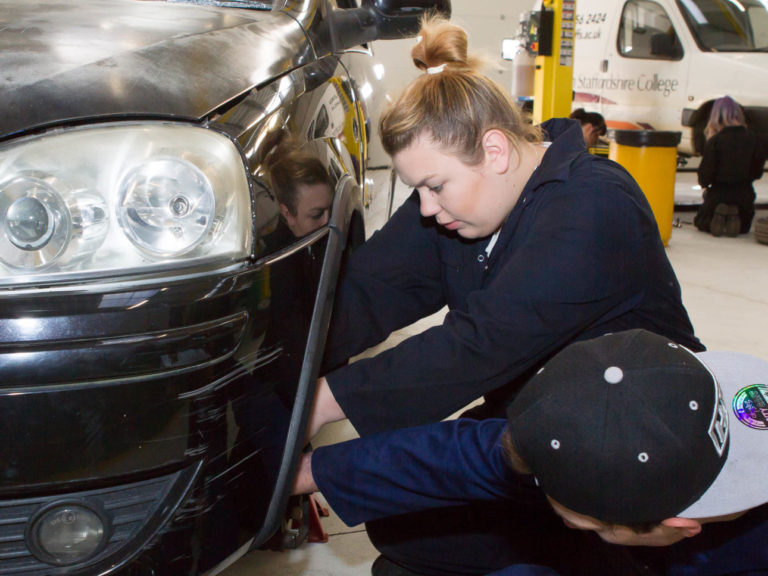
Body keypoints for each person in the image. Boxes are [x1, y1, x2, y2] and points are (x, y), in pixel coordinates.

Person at [308, 14, 702, 576]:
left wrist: (319, 404)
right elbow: (370, 289)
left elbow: (478, 346)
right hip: (542, 423)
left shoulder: (595, 206)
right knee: (403, 527)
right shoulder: (461, 208)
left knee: (413, 554)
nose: (424, 208)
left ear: (495, 150)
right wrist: (278, 370)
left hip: (632, 446)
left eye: (433, 186)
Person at [295, 329, 768, 575]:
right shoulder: (635, 418)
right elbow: (462, 454)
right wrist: (310, 471)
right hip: (657, 551)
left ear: (676, 525)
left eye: (577, 520)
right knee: (408, 530)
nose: (565, 516)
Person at [694, 95, 765, 237]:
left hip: (719, 193)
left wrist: (706, 185)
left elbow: (705, 176)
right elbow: (757, 172)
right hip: (744, 193)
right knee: (744, 228)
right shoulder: (754, 139)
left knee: (700, 222)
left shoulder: (715, 141)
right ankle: (736, 218)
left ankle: (717, 217)